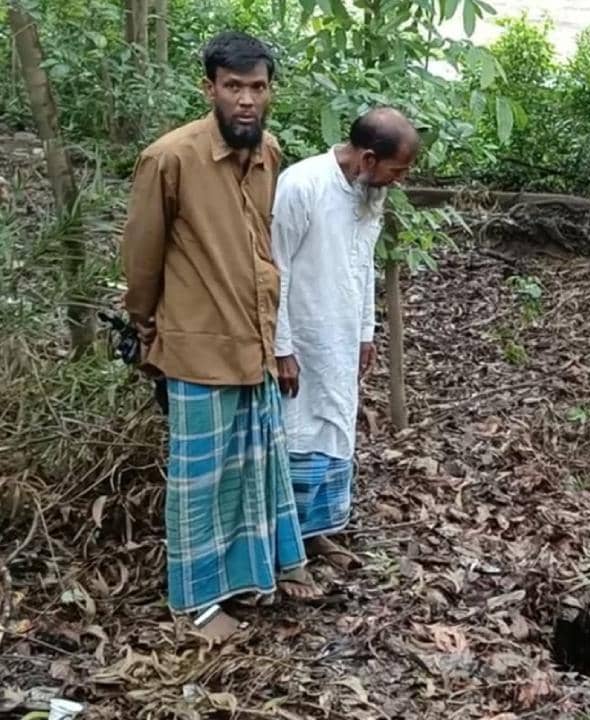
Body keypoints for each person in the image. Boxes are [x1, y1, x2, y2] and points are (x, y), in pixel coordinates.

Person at [121, 30, 321, 636]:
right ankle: (197, 602)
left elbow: (261, 246)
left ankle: (252, 575)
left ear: (270, 91)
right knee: (199, 484)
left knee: (253, 469)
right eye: (233, 86)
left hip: (253, 340)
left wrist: (275, 338)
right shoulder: (169, 158)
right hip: (196, 345)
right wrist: (147, 329)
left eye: (257, 87)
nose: (246, 100)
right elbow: (141, 259)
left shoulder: (268, 153)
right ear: (209, 88)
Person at [271, 108, 420, 572]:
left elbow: (362, 265)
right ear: (368, 158)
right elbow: (275, 270)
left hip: (340, 338)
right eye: (396, 171)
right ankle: (286, 550)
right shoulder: (302, 185)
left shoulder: (369, 192)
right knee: (297, 436)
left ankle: (318, 532)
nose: (399, 181)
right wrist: (281, 348)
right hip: (301, 337)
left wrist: (364, 333)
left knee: (334, 432)